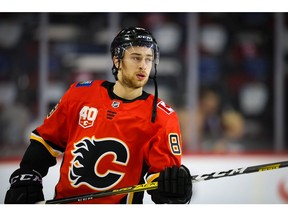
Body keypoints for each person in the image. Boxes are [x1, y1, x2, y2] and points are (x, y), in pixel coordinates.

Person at [4, 27, 192, 204]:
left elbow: (159, 183)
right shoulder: (80, 94)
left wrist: (173, 187)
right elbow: (45, 142)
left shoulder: (162, 116)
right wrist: (28, 174)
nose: (143, 65)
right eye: (136, 57)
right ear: (117, 60)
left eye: (148, 59)